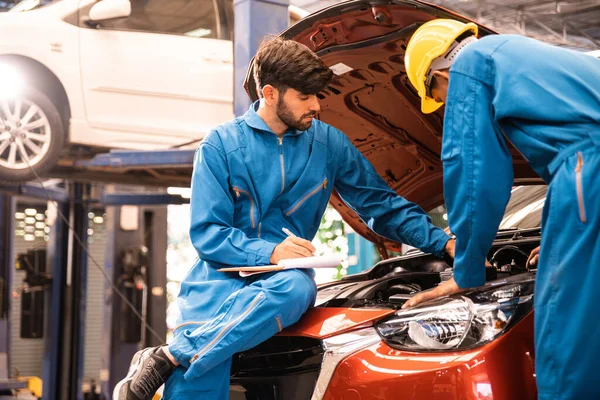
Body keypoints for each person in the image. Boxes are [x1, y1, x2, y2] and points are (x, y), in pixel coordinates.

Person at [113, 36, 455, 400]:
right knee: (196, 381)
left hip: (281, 287)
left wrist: (444, 241)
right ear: (271, 94)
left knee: (295, 287)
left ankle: (167, 357)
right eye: (305, 96)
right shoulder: (220, 145)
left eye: (317, 95)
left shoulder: (330, 145)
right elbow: (208, 233)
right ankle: (182, 357)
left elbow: (381, 205)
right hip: (215, 284)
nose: (317, 106)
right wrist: (271, 253)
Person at [401, 19, 600, 400]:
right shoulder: (515, 52)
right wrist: (557, 239)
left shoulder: (469, 67)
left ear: (436, 76)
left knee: (567, 333)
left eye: (439, 99)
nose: (445, 104)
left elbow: (472, 171)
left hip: (589, 171)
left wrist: (467, 269)